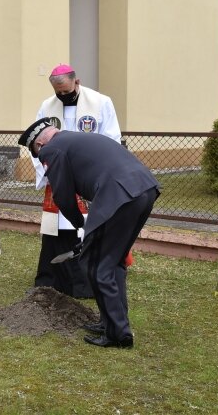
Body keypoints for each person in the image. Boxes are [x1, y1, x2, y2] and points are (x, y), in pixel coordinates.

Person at [20, 118, 159, 348]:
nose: (40, 156)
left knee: (96, 265)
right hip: (144, 189)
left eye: (36, 151)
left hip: (118, 195)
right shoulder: (76, 139)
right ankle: (112, 323)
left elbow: (62, 193)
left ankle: (118, 334)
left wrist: (79, 224)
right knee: (113, 262)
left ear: (40, 143)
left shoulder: (52, 149)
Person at [30, 64, 122, 298]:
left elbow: (111, 138)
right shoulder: (46, 107)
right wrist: (50, 169)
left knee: (85, 228)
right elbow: (37, 143)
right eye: (58, 93)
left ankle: (84, 283)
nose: (63, 96)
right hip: (59, 176)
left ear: (77, 82)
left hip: (87, 177)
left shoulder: (101, 102)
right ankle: (52, 279)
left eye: (67, 91)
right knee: (57, 231)